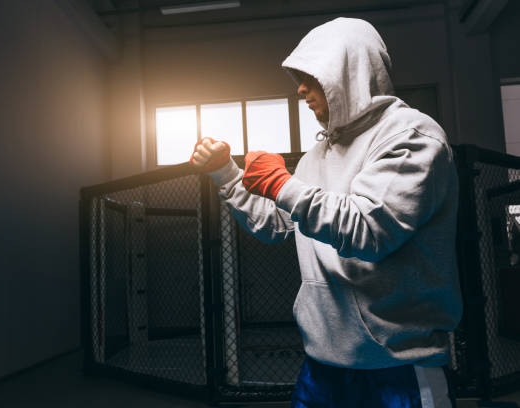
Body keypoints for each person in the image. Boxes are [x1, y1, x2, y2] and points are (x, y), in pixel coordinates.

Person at [190, 17, 462, 408]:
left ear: (350, 73)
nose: (301, 89)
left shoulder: (411, 136)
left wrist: (281, 184)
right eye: (299, 77)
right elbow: (274, 224)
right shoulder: (319, 154)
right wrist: (225, 172)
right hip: (322, 362)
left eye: (313, 76)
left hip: (397, 366)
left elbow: (369, 230)